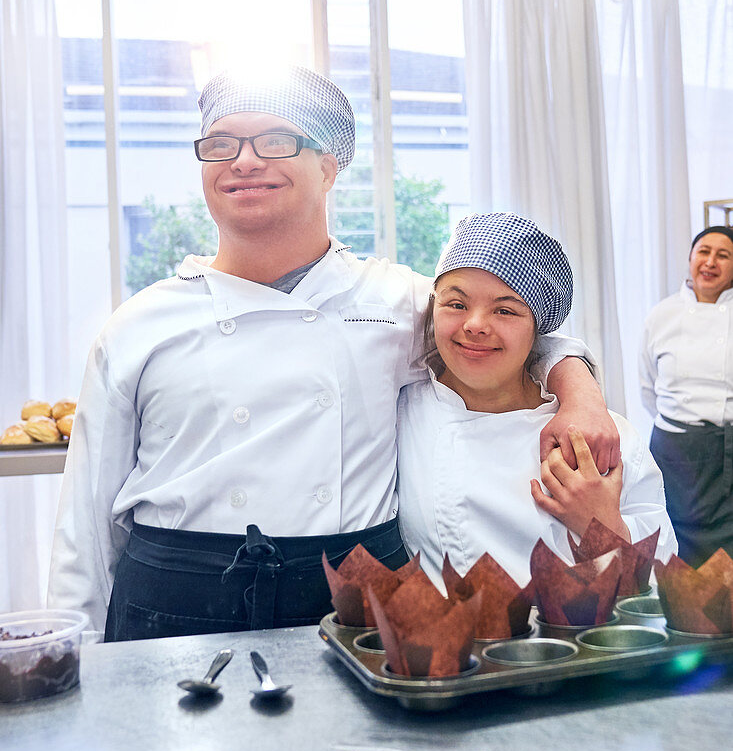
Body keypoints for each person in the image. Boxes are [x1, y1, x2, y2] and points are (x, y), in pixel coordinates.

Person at [48, 66, 619, 639]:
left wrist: (580, 395)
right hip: (175, 597)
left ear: (328, 166)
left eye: (275, 139)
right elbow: (86, 525)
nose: (243, 161)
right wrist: (74, 659)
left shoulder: (394, 299)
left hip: (356, 593)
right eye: (220, 144)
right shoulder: (141, 323)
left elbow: (510, 329)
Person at [397, 213, 676, 590]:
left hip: (575, 646)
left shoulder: (601, 436)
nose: (475, 324)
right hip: (448, 643)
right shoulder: (403, 413)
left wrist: (599, 525)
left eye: (505, 310)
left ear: (538, 329)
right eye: (456, 304)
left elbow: (660, 591)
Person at [640, 225, 733, 567]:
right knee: (670, 540)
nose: (711, 262)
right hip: (674, 449)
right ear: (691, 258)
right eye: (703, 252)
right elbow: (648, 388)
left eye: (723, 255)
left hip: (729, 446)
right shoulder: (661, 316)